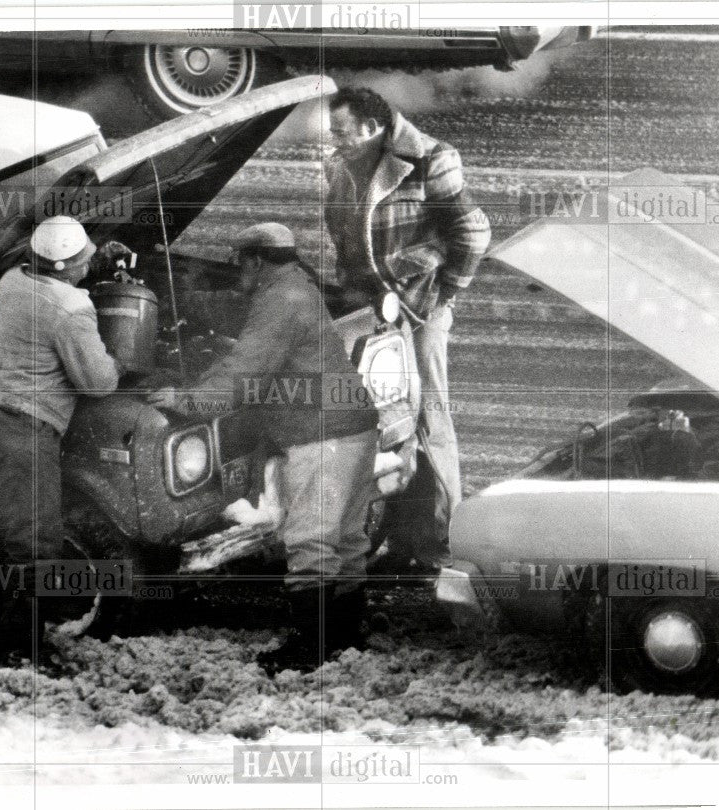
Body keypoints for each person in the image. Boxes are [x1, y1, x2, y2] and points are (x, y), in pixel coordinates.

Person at [146, 223, 379, 674]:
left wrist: (186, 399)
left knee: (310, 540)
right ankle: (346, 637)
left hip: (322, 436)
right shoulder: (299, 288)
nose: (237, 275)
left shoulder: (281, 300)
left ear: (254, 261)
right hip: (354, 427)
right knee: (347, 538)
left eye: (239, 265)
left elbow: (245, 371)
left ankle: (309, 649)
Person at [324, 86, 492, 573]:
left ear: (373, 129)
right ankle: (403, 538)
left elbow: (473, 233)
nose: (335, 142)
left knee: (430, 420)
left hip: (419, 311)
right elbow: (343, 240)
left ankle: (444, 540)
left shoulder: (431, 159)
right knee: (388, 422)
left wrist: (444, 294)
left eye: (342, 132)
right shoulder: (340, 165)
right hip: (374, 312)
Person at [0, 215, 123, 670]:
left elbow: (56, 271)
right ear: (68, 267)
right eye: (83, 261)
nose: (88, 266)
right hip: (19, 431)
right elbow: (98, 383)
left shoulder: (11, 280)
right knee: (34, 548)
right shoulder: (71, 309)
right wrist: (121, 360)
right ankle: (22, 652)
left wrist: (95, 263)